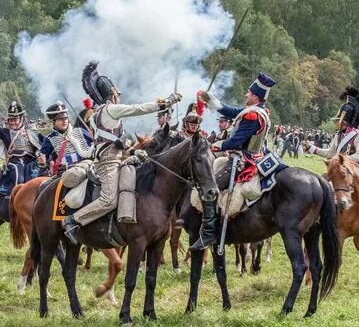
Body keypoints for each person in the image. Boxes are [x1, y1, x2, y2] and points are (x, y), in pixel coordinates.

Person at [61, 62, 181, 243]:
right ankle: (73, 221)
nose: (119, 98)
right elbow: (137, 109)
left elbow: (116, 141)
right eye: (118, 95)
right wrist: (167, 102)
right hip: (108, 162)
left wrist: (133, 151)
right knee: (109, 200)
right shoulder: (110, 109)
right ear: (113, 95)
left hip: (117, 158)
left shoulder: (99, 113)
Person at [195, 72, 277, 251]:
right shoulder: (254, 111)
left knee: (209, 190)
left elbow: (235, 142)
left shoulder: (253, 116)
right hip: (247, 157)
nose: (246, 95)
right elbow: (229, 111)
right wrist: (208, 98)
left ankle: (209, 233)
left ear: (255, 96)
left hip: (242, 161)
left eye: (249, 93)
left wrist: (213, 146)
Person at [304, 87, 359, 243]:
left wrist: (341, 159)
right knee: (319, 188)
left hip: (358, 171)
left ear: (344, 120)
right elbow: (330, 152)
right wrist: (312, 148)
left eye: (337, 120)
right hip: (338, 171)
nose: (336, 122)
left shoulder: (358, 136)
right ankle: (317, 221)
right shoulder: (338, 136)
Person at [38, 101, 94, 175]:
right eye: (60, 119)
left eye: (65, 118)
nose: (64, 121)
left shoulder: (80, 131)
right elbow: (43, 161)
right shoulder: (49, 139)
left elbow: (94, 145)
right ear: (53, 122)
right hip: (66, 172)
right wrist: (43, 162)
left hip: (88, 166)